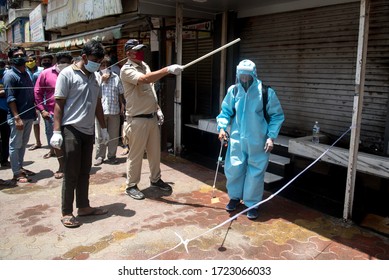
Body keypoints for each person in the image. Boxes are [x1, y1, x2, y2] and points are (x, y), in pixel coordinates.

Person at [50, 40, 109, 228]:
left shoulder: (96, 76)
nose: (97, 64)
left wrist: (104, 127)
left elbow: (98, 103)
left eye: (100, 61)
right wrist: (56, 131)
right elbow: (58, 104)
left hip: (89, 131)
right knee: (71, 172)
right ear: (83, 57)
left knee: (85, 172)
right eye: (94, 60)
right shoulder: (67, 74)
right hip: (71, 129)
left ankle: (83, 207)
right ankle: (67, 211)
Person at [217, 59, 284, 220]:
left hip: (258, 139)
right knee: (234, 168)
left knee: (255, 172)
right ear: (237, 75)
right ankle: (234, 197)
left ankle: (252, 204)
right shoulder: (233, 91)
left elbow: (277, 116)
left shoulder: (266, 92)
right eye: (241, 75)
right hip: (237, 138)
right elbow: (225, 111)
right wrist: (221, 127)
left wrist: (271, 137)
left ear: (254, 74)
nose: (244, 79)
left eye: (247, 75)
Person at [120, 38, 183, 200]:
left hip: (151, 117)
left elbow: (150, 91)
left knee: (155, 153)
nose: (141, 52)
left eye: (142, 49)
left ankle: (155, 179)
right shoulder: (126, 70)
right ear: (129, 53)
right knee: (136, 155)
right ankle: (131, 185)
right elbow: (144, 80)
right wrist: (167, 69)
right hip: (137, 119)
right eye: (137, 50)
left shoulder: (144, 66)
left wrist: (158, 109)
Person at [34, 52, 73, 179]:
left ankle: (72, 166)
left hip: (71, 114)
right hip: (52, 113)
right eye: (61, 62)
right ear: (56, 61)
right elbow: (37, 92)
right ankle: (62, 166)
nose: (64, 64)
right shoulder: (46, 73)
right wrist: (42, 110)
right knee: (57, 142)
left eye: (66, 62)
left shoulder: (74, 73)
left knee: (71, 142)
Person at [3, 46, 36, 183]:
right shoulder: (10, 75)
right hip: (18, 117)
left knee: (23, 144)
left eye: (22, 54)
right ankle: (16, 172)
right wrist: (17, 118)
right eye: (16, 55)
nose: (20, 57)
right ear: (11, 59)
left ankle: (20, 167)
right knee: (15, 144)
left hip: (29, 115)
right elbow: (10, 98)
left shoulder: (27, 73)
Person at [94, 55, 125, 166]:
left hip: (114, 110)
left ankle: (112, 155)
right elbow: (92, 92)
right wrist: (101, 80)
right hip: (100, 111)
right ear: (99, 66)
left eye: (107, 65)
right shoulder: (95, 77)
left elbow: (121, 93)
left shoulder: (116, 77)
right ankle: (99, 156)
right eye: (103, 65)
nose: (105, 67)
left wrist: (122, 105)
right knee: (100, 135)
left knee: (113, 135)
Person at [26, 53, 44, 151]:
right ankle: (38, 142)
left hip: (43, 99)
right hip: (30, 100)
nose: (30, 62)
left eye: (31, 60)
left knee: (48, 122)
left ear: (36, 60)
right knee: (35, 122)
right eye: (28, 61)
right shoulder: (25, 72)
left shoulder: (41, 70)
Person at [0, 59, 11, 168]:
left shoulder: (7, 75)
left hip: (4, 110)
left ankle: (4, 159)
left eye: (2, 65)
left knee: (5, 136)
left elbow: (9, 91)